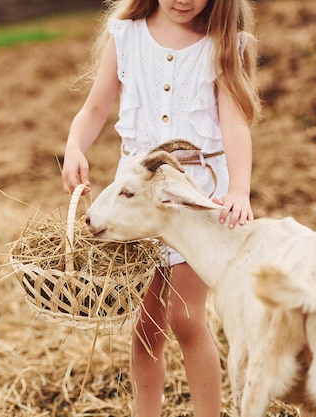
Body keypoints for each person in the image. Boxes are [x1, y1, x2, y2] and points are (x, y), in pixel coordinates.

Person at [62, 0, 261, 416]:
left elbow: (235, 122)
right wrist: (75, 146)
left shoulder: (224, 43)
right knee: (147, 323)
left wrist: (239, 189)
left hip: (195, 200)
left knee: (187, 320)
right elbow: (95, 107)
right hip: (137, 203)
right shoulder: (126, 37)